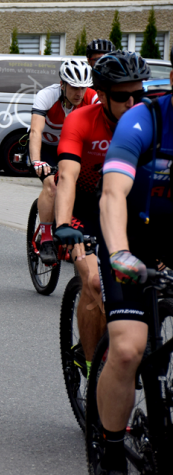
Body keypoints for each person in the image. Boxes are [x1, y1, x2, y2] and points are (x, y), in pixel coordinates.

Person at [94, 52, 166, 475]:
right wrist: (120, 253)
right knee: (126, 348)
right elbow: (112, 194)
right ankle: (111, 449)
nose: (131, 98)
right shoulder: (141, 121)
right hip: (131, 240)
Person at [54, 52, 148, 380]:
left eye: (140, 94)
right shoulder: (80, 120)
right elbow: (66, 175)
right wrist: (63, 224)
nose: (132, 102)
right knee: (94, 281)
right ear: (103, 96)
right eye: (122, 96)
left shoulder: (149, 120)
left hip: (131, 213)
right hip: (85, 214)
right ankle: (95, 369)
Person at [28, 59, 98, 264]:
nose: (79, 93)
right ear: (62, 84)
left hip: (74, 148)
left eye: (83, 88)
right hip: (47, 148)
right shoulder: (47, 96)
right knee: (52, 185)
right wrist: (37, 161)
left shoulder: (92, 98)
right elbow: (35, 131)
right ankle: (47, 237)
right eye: (75, 87)